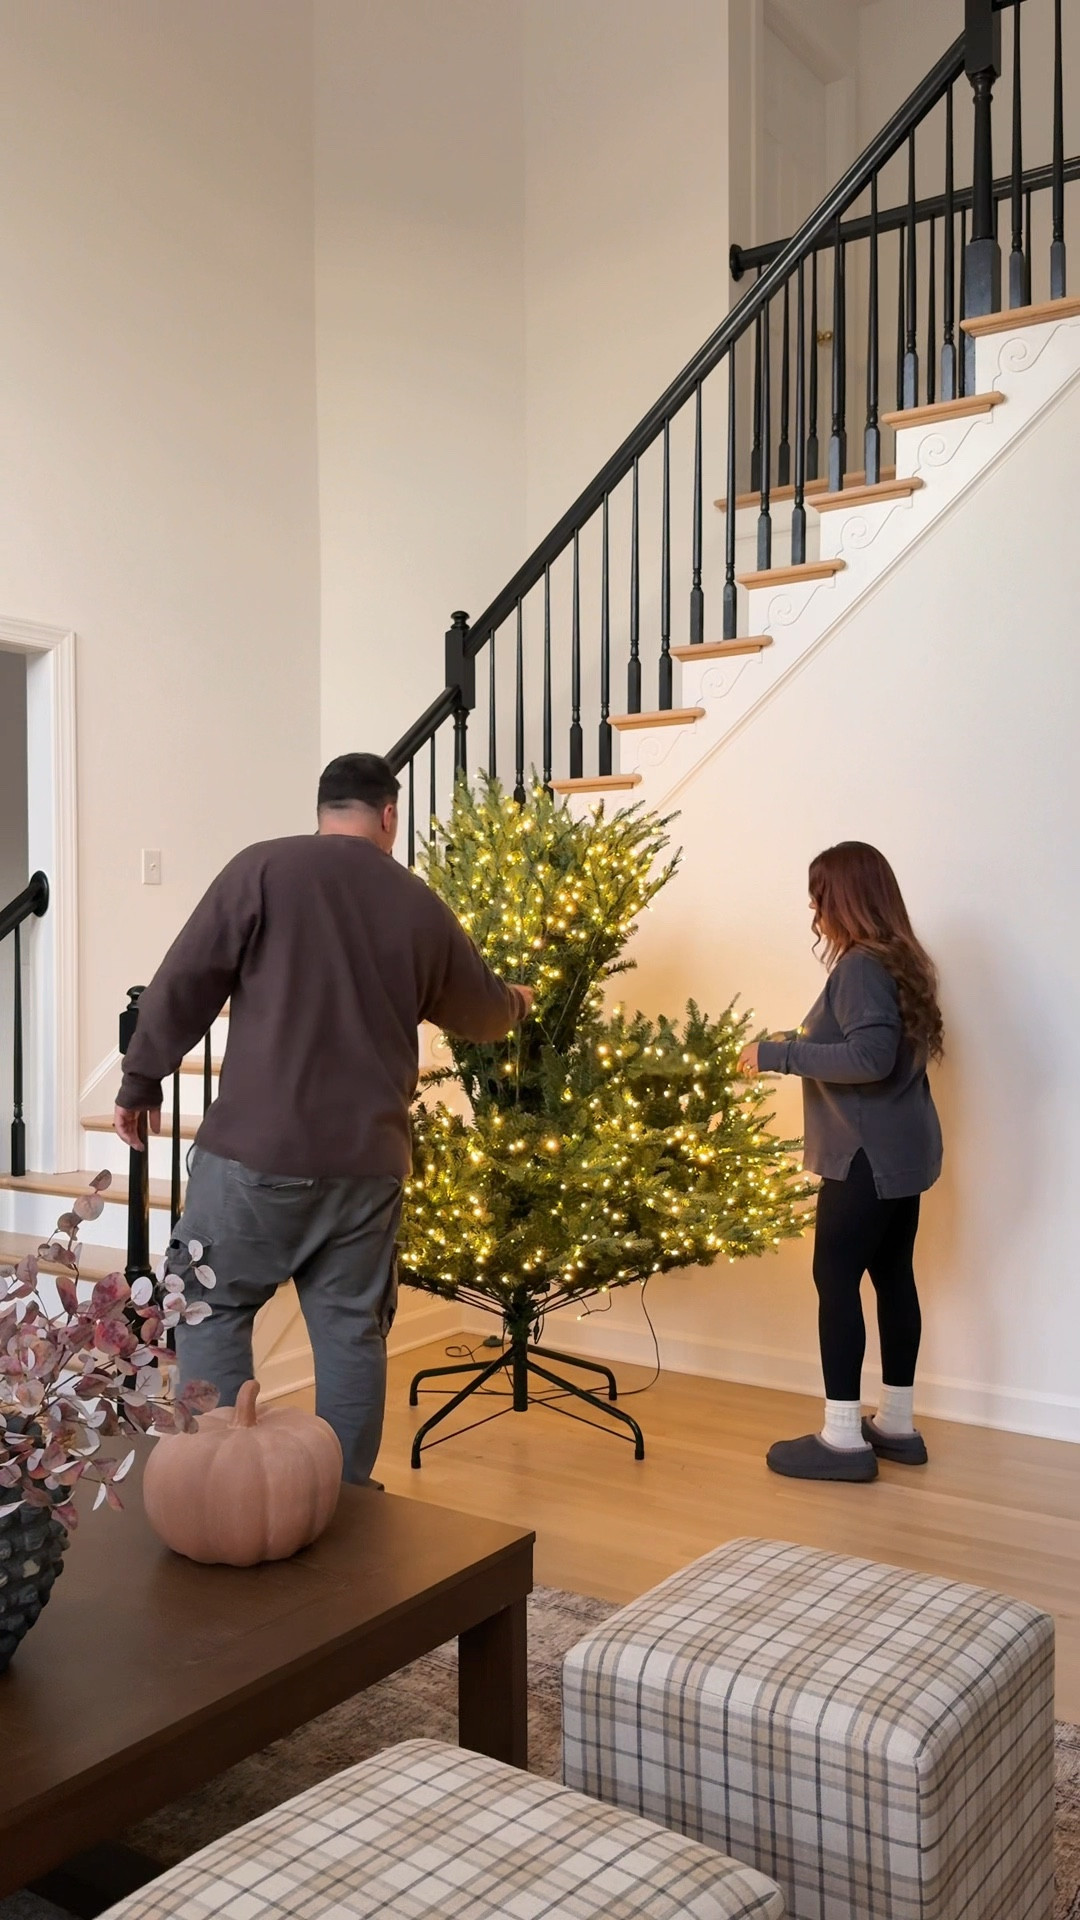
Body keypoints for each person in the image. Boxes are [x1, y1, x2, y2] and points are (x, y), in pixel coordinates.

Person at [114, 752, 533, 1485]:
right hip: (368, 1166)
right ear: (388, 816)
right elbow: (482, 1011)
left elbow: (187, 979)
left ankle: (219, 1487)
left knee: (211, 1309)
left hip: (255, 1156)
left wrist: (142, 1077)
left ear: (322, 809)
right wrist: (518, 1002)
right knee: (350, 1333)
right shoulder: (416, 903)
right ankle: (346, 1503)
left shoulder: (264, 870)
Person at [738, 841, 943, 1484]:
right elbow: (872, 1048)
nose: (814, 910)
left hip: (864, 1157)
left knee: (836, 1282)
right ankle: (898, 1426)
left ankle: (843, 1439)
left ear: (846, 899)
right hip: (903, 1152)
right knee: (893, 1279)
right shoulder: (902, 959)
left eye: (820, 896)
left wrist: (779, 1055)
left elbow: (870, 1059)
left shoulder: (858, 968)